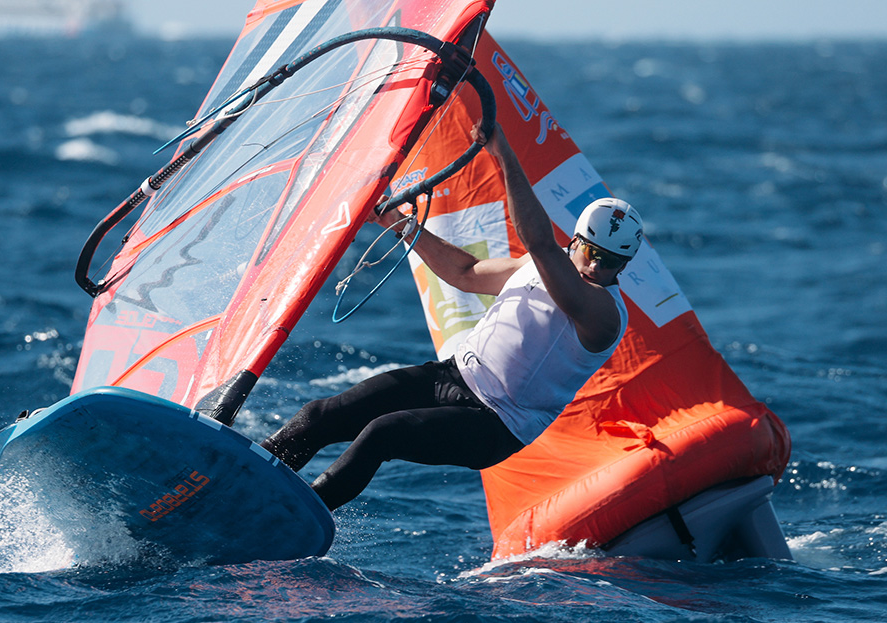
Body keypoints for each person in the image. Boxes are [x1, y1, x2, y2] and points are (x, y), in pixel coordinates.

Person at [260, 123, 643, 511]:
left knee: (382, 433)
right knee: (320, 416)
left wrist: (502, 152)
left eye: (610, 262)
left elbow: (540, 242)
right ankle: (239, 479)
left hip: (496, 423)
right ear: (575, 241)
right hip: (452, 376)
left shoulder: (603, 314)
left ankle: (287, 518)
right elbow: (464, 273)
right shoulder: (541, 263)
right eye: (592, 253)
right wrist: (400, 223)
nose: (597, 266)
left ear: (624, 264)